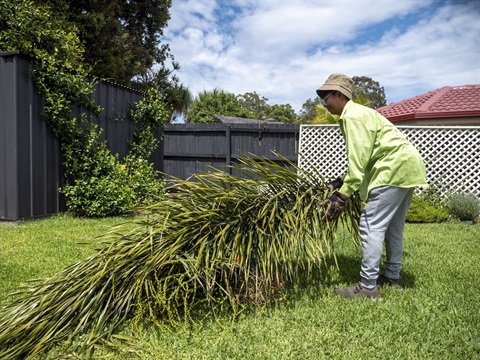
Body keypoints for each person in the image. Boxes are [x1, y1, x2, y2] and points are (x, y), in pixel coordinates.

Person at [317, 73, 428, 299]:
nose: (324, 104)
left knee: (371, 225)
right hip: (407, 168)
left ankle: (368, 287)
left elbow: (357, 164)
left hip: (392, 170)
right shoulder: (362, 114)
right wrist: (340, 180)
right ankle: (392, 276)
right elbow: (365, 158)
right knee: (393, 226)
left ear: (339, 95)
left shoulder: (353, 117)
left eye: (325, 98)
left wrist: (341, 197)